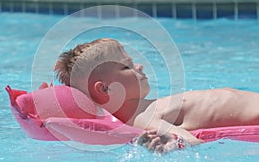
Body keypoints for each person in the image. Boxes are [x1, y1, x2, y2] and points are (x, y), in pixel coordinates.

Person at [51, 38, 259, 154]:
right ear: (105, 89)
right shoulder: (142, 118)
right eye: (127, 66)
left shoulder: (146, 108)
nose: (139, 66)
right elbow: (189, 141)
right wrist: (173, 144)